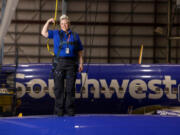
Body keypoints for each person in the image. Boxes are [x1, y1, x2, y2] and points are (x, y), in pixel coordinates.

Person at [41, 15, 83, 116]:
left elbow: (80, 52)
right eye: (62, 24)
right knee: (58, 88)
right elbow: (43, 33)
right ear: (60, 25)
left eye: (66, 23)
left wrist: (81, 63)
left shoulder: (75, 35)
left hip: (72, 64)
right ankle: (59, 111)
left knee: (70, 88)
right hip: (59, 63)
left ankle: (70, 110)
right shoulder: (55, 33)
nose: (64, 25)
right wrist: (48, 22)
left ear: (69, 24)